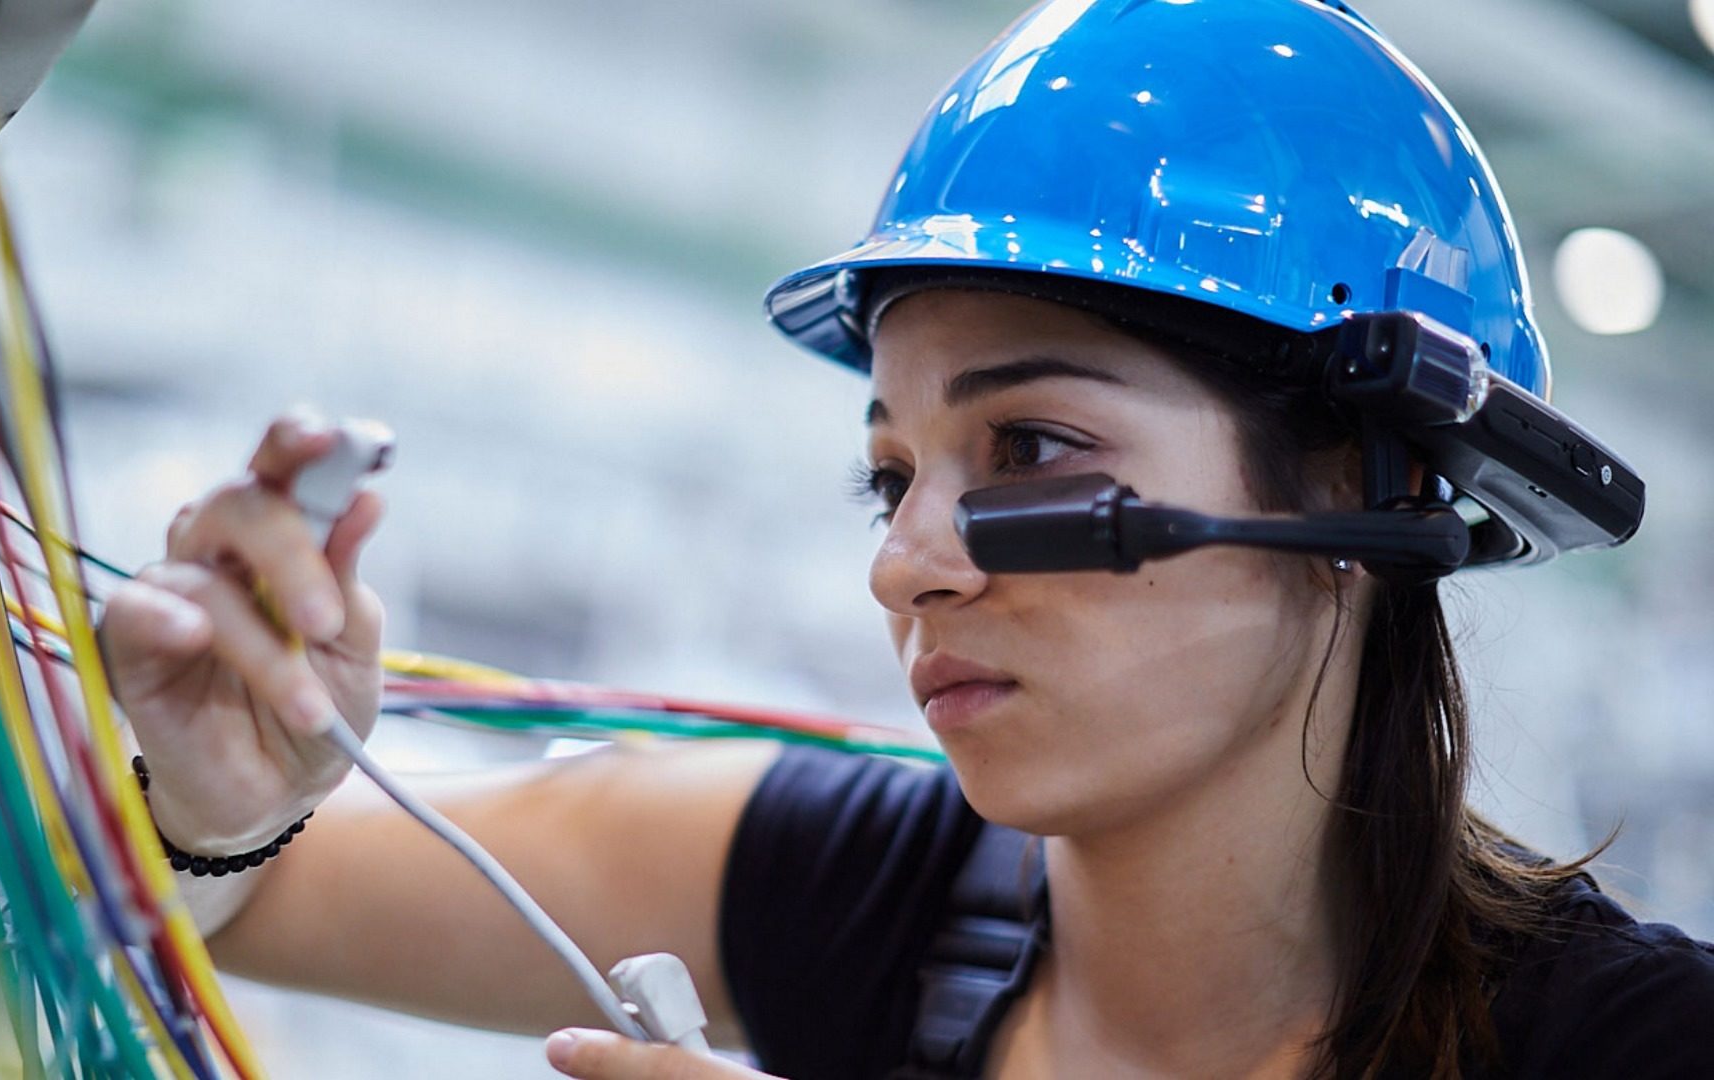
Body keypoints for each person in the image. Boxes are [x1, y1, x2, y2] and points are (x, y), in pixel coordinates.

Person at [98, 1, 1714, 1076]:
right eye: (893, 477)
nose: (908, 562)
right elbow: (218, 904)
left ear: (1361, 488)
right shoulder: (858, 885)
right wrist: (226, 809)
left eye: (1029, 450)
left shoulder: (1633, 1045)